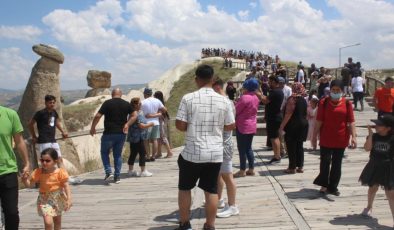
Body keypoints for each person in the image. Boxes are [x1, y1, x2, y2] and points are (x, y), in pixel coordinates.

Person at [175, 65, 235, 230]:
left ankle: (185, 224)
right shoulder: (224, 100)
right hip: (215, 153)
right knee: (211, 190)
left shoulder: (188, 98)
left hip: (192, 152)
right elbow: (230, 125)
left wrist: (193, 126)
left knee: (185, 188)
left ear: (196, 79)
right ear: (213, 79)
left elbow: (180, 125)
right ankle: (209, 225)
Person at [313, 80, 357, 196]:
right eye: (333, 90)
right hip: (326, 137)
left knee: (337, 164)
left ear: (342, 91)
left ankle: (333, 187)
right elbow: (319, 120)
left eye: (338, 90)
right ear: (330, 90)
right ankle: (324, 184)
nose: (336, 92)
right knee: (325, 161)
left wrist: (354, 137)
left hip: (341, 138)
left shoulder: (347, 104)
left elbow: (351, 122)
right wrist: (314, 136)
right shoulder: (324, 102)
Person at [90, 88, 136, 184]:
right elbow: (134, 115)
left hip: (109, 133)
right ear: (121, 94)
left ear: (112, 94)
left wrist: (93, 127)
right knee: (117, 155)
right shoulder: (126, 103)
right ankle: (117, 176)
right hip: (121, 133)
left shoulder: (107, 103)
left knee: (104, 152)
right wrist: (127, 124)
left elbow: (98, 116)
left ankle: (108, 172)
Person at [22, 148, 71, 230]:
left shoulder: (60, 172)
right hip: (45, 199)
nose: (44, 163)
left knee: (57, 222)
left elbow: (66, 186)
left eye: (47, 161)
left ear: (55, 161)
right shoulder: (38, 172)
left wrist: (69, 199)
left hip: (58, 198)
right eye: (42, 160)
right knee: (48, 223)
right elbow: (30, 185)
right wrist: (24, 180)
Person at [359, 115, 394, 225]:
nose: (376, 126)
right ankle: (369, 206)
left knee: (390, 193)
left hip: (389, 167)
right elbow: (367, 148)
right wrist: (370, 136)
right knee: (372, 187)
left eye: (380, 124)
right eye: (376, 124)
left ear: (388, 128)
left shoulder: (392, 138)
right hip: (374, 164)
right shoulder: (374, 136)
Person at [212, 78, 239, 218]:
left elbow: (229, 124)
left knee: (227, 176)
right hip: (219, 143)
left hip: (224, 143)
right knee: (219, 174)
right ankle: (220, 200)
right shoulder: (226, 101)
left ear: (216, 87)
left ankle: (233, 206)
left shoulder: (225, 103)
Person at [0, 106, 30, 229]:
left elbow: (19, 141)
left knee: (11, 212)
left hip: (8, 171)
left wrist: (26, 162)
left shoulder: (10, 114)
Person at [28, 95, 68, 168]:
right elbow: (30, 124)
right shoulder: (40, 113)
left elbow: (56, 123)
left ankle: (64, 177)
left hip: (53, 140)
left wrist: (63, 131)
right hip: (44, 141)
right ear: (46, 103)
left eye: (53, 102)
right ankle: (47, 179)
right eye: (50, 102)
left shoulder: (54, 112)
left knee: (59, 159)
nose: (52, 104)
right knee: (46, 162)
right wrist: (34, 136)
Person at [279, 83, 308, 174]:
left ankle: (292, 167)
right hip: (303, 125)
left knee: (291, 146)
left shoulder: (292, 99)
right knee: (299, 146)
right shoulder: (303, 99)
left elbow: (288, 114)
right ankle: (300, 166)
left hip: (293, 125)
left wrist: (281, 127)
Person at [233, 78, 260, 178]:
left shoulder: (244, 97)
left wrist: (235, 104)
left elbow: (236, 111)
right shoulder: (256, 97)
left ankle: (242, 170)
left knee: (241, 149)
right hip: (252, 125)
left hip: (243, 126)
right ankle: (251, 169)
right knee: (249, 147)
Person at [127, 98, 154, 177]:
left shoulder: (131, 113)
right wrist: (150, 124)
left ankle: (130, 170)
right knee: (142, 153)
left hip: (133, 137)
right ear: (135, 105)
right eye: (139, 103)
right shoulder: (137, 113)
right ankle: (143, 171)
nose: (141, 105)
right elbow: (141, 125)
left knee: (133, 153)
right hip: (139, 137)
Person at [261, 76, 284, 164]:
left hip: (274, 118)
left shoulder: (275, 91)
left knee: (274, 138)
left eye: (270, 82)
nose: (269, 83)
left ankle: (277, 156)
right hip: (274, 117)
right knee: (274, 137)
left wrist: (257, 93)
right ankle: (277, 154)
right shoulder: (277, 91)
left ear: (274, 82)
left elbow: (265, 101)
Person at [141, 88, 167, 161]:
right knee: (155, 139)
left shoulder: (143, 102)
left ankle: (148, 156)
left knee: (146, 140)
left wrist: (150, 115)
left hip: (147, 123)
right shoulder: (157, 100)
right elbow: (164, 109)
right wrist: (158, 114)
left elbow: (139, 112)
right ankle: (153, 156)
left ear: (145, 94)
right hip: (156, 123)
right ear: (151, 93)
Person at [153, 91, 174, 158]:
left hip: (160, 122)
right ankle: (159, 153)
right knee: (159, 138)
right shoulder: (161, 103)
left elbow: (160, 114)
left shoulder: (159, 104)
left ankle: (169, 152)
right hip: (161, 122)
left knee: (163, 137)